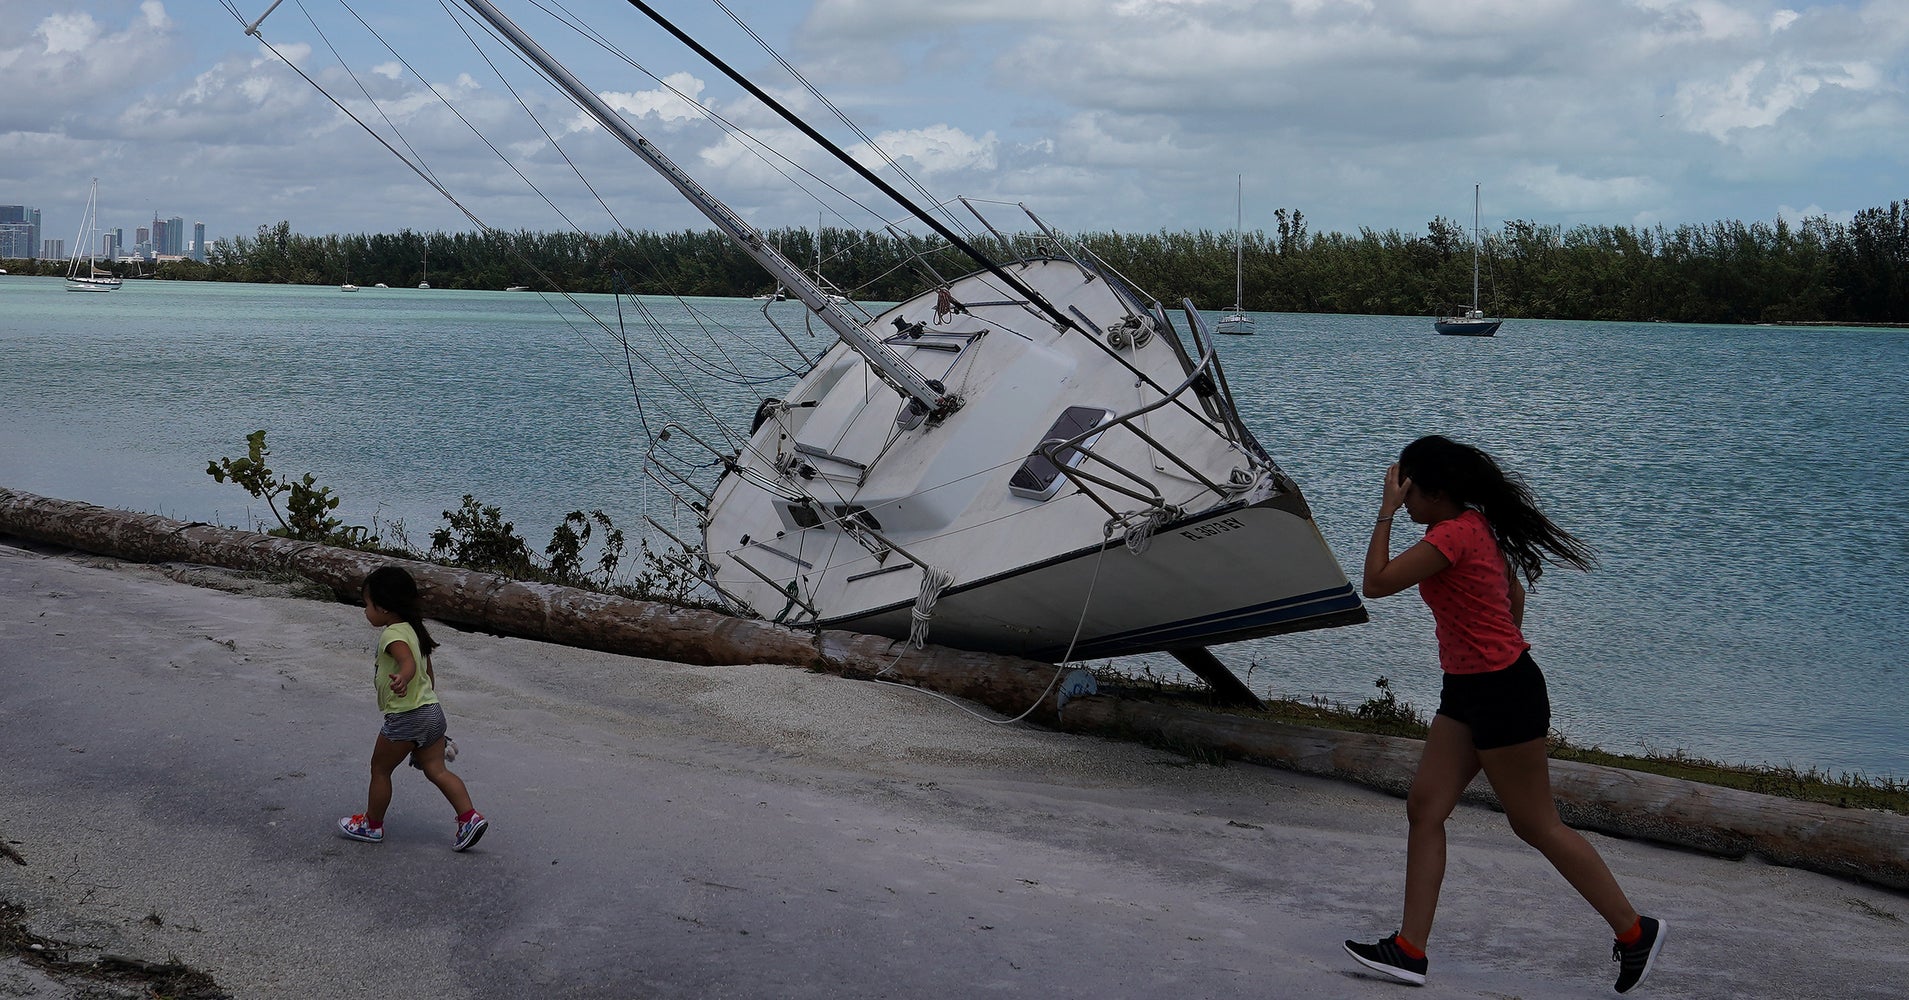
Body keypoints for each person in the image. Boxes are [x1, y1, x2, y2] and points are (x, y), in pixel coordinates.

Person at [1342, 435, 1665, 993]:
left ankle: (1635, 932)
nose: (1405, 496)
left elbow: (1376, 583)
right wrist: (1495, 639)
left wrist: (1384, 513)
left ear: (1434, 491)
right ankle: (1409, 950)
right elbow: (1513, 595)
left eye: (1410, 488)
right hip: (1471, 690)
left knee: (1535, 825)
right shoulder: (1471, 528)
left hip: (1501, 693)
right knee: (1425, 807)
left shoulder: (1451, 535)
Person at [338, 565, 489, 852]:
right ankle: (469, 818)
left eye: (367, 604)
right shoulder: (416, 631)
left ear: (383, 607)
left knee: (380, 769)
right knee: (436, 769)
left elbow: (407, 664)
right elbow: (428, 677)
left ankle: (371, 825)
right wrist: (426, 724)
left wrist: (403, 677)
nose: (365, 610)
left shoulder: (392, 634)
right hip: (431, 711)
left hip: (407, 716)